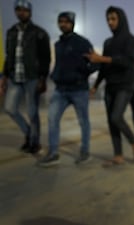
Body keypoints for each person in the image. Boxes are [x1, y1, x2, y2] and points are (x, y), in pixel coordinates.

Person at [38, 12, 97, 167]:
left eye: (66, 22)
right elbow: (59, 64)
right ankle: (53, 153)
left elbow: (96, 63)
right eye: (60, 21)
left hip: (79, 90)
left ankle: (85, 152)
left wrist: (81, 73)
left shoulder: (82, 42)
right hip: (61, 90)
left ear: (72, 24)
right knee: (52, 119)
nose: (63, 24)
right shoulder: (58, 44)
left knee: (83, 122)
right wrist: (55, 75)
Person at [86, 6, 134, 166]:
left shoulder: (131, 40)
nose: (110, 22)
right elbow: (104, 68)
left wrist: (103, 59)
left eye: (113, 19)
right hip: (110, 85)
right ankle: (118, 155)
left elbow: (128, 62)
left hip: (125, 84)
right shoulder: (108, 42)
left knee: (116, 117)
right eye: (108, 19)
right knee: (111, 121)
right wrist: (96, 85)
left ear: (121, 19)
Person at [0, 0, 50, 154]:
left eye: (25, 10)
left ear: (30, 12)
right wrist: (4, 77)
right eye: (19, 10)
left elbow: (45, 58)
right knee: (9, 108)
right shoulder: (11, 32)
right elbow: (9, 55)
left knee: (32, 112)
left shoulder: (39, 33)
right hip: (15, 77)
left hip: (32, 77)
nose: (21, 13)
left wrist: (43, 78)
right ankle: (29, 133)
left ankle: (34, 142)